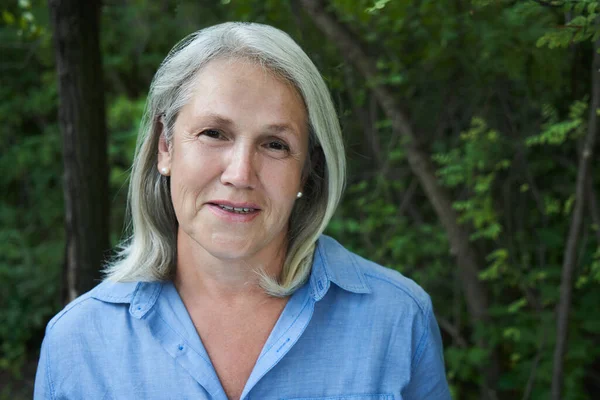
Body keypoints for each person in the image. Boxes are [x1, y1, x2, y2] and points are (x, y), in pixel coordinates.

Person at [34, 22, 451, 400]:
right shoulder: (77, 342)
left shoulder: (398, 319)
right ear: (165, 146)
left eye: (275, 144)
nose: (240, 173)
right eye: (214, 133)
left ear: (307, 171)